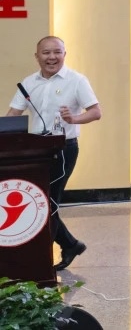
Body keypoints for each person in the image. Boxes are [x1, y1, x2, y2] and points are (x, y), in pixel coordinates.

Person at [6, 35, 101, 271]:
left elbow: (95, 112)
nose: (52, 57)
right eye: (46, 52)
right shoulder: (29, 82)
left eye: (57, 52)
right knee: (42, 201)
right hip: (35, 150)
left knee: (48, 202)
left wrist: (74, 119)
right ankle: (70, 245)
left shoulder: (76, 80)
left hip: (63, 148)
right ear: (37, 56)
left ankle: (41, 259)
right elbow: (13, 115)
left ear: (64, 54)